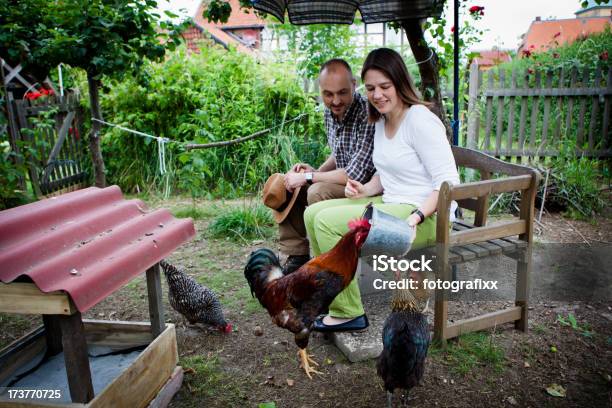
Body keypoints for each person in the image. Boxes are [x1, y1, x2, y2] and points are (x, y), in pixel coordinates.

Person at [306, 48, 460, 332]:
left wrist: (415, 217)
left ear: (400, 83)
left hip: (425, 218)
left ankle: (348, 312)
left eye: (384, 87)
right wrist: (364, 189)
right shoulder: (382, 119)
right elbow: (384, 171)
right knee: (313, 213)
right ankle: (331, 294)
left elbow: (448, 183)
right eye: (371, 88)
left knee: (327, 223)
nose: (377, 95)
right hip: (392, 204)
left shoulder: (420, 120)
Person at [269, 59, 375, 274]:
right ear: (321, 91)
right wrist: (314, 172)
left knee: (317, 189)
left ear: (354, 85)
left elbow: (355, 173)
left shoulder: (367, 113)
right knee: (285, 184)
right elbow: (339, 154)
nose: (335, 100)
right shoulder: (330, 112)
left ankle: (329, 264)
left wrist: (311, 178)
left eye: (342, 92)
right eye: (328, 94)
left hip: (365, 189)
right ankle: (297, 256)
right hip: (343, 181)